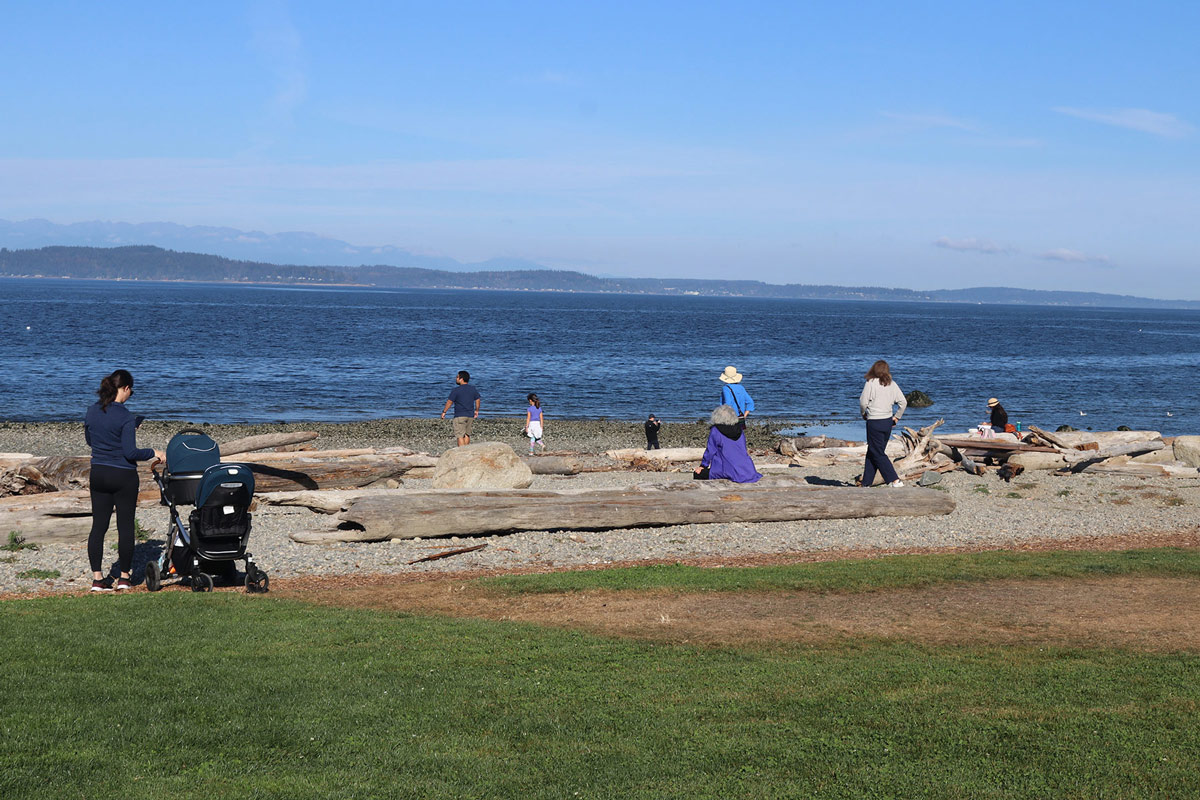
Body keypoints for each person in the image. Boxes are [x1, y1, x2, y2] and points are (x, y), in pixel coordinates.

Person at [84, 369, 164, 592]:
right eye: (131, 391)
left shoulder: (92, 411)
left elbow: (91, 440)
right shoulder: (126, 416)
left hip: (98, 473)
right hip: (122, 475)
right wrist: (154, 452)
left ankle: (97, 579)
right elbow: (131, 452)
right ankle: (124, 578)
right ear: (126, 388)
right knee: (125, 527)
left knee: (98, 526)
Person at [858, 360, 907, 488]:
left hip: (874, 421)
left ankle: (895, 480)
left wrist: (863, 413)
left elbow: (863, 401)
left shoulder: (870, 383)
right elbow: (903, 402)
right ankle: (866, 483)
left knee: (877, 452)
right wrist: (897, 417)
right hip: (887, 422)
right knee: (873, 452)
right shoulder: (892, 384)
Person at [693, 405, 762, 483]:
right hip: (748, 470)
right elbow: (743, 449)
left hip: (728, 470)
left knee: (697, 474)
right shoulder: (740, 429)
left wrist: (703, 466)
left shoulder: (716, 430)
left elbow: (710, 451)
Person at [441, 370, 481, 447]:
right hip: (470, 415)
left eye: (457, 377)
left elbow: (449, 402)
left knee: (460, 435)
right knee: (467, 434)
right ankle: (466, 451)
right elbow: (478, 399)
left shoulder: (456, 390)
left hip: (460, 415)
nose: (456, 378)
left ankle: (462, 452)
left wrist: (444, 411)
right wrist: (477, 410)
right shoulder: (473, 389)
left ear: (461, 379)